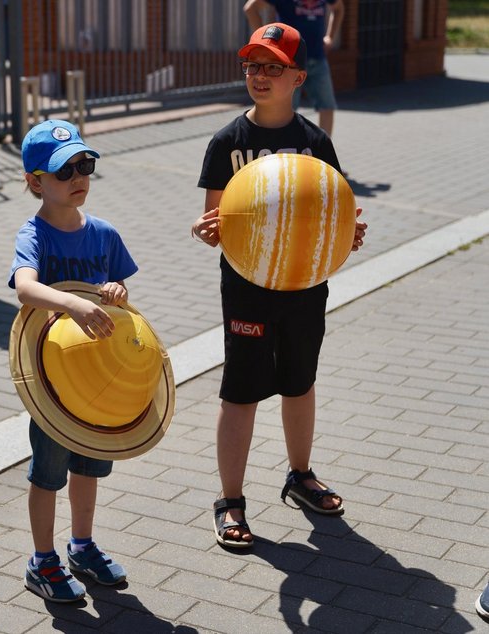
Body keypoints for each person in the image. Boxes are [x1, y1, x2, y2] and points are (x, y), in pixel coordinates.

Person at [191, 23, 366, 549]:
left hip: (305, 286)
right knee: (241, 391)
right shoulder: (228, 142)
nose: (259, 75)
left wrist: (347, 234)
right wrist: (205, 231)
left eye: (273, 66)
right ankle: (230, 501)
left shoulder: (315, 143)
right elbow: (215, 221)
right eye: (252, 65)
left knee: (299, 382)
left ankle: (300, 475)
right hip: (247, 287)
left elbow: (334, 211)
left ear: (298, 78)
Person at [10, 120, 134, 602]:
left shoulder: (104, 234)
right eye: (65, 171)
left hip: (98, 380)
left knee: (90, 467)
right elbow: (25, 288)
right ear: (36, 181)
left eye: (85, 166)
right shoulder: (34, 234)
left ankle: (81, 546)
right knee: (47, 474)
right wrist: (71, 303)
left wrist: (116, 293)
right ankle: (42, 561)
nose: (78, 177)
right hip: (53, 383)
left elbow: (120, 300)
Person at [244, 0, 344, 138]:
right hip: (288, 63)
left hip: (317, 57)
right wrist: (265, 45)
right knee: (284, 109)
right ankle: (281, 147)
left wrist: (330, 37)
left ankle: (323, 149)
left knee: (327, 106)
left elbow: (338, 8)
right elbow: (250, 8)